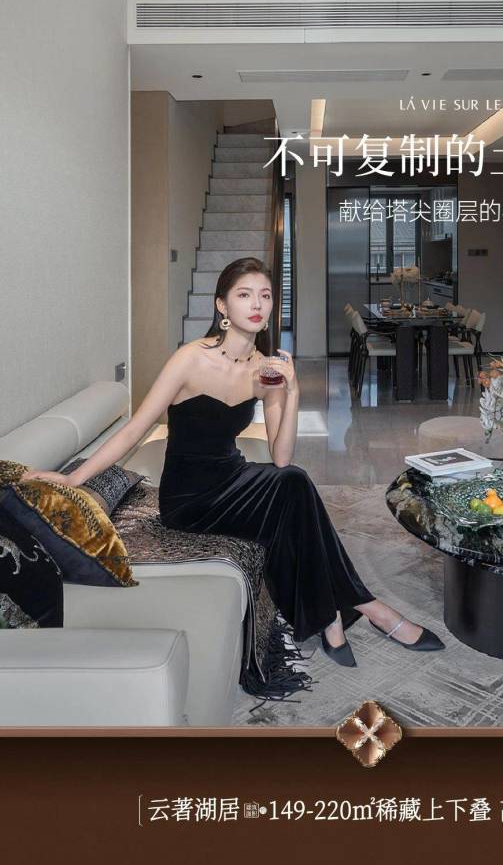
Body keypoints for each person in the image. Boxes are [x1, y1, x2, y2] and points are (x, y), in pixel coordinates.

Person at [20, 256, 444, 669]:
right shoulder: (190, 359)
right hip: (189, 500)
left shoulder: (265, 369)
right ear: (222, 306)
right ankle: (370, 608)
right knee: (293, 489)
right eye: (244, 295)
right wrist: (74, 477)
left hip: (233, 478)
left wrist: (292, 391)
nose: (257, 304)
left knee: (292, 486)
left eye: (265, 295)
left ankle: (332, 618)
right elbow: (134, 429)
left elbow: (281, 456)